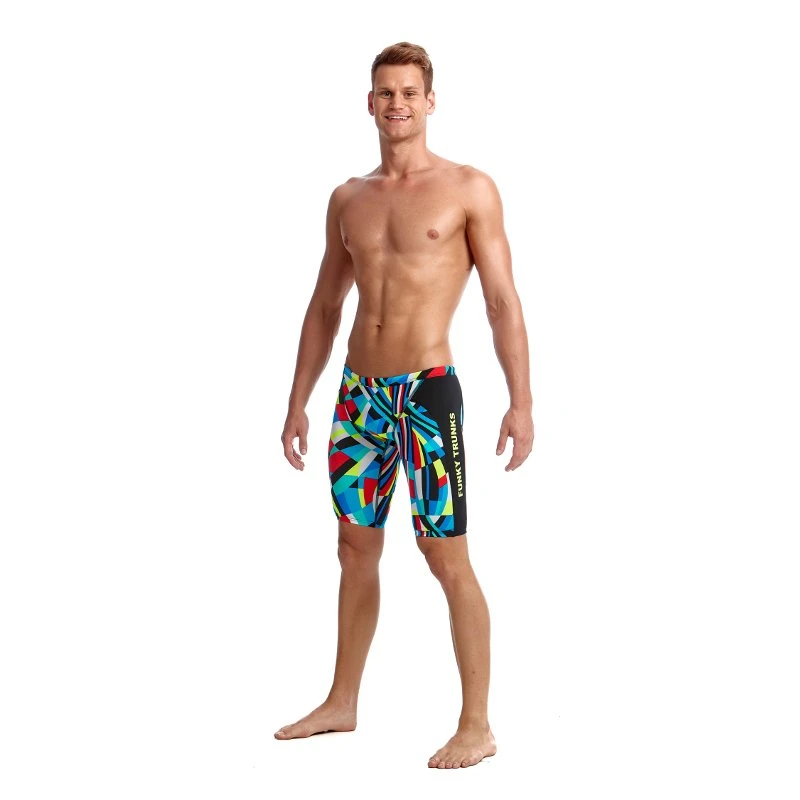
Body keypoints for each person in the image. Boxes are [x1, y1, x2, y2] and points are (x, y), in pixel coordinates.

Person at [275, 41, 534, 769]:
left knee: (444, 554)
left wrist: (521, 403)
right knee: (353, 546)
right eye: (385, 92)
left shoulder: (468, 189)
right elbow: (325, 305)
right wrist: (298, 400)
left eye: (409, 92)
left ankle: (477, 725)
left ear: (430, 101)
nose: (397, 104)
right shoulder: (348, 199)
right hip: (357, 395)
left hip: (426, 392)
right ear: (370, 103)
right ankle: (342, 701)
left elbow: (502, 301)